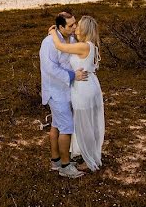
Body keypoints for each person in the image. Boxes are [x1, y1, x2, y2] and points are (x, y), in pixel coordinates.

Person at [48, 15, 104, 172]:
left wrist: (53, 31)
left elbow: (60, 46)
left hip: (83, 88)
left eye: (78, 26)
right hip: (89, 85)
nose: (75, 28)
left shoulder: (84, 46)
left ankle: (88, 159)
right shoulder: (88, 45)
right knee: (88, 124)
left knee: (84, 125)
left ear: (85, 29)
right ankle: (89, 154)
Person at [40, 12, 89, 178]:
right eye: (71, 25)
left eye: (75, 23)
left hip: (68, 90)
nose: (75, 27)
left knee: (56, 124)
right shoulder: (48, 43)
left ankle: (56, 161)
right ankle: (65, 167)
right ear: (60, 27)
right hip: (55, 91)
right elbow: (50, 69)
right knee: (67, 127)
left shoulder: (72, 39)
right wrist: (73, 75)